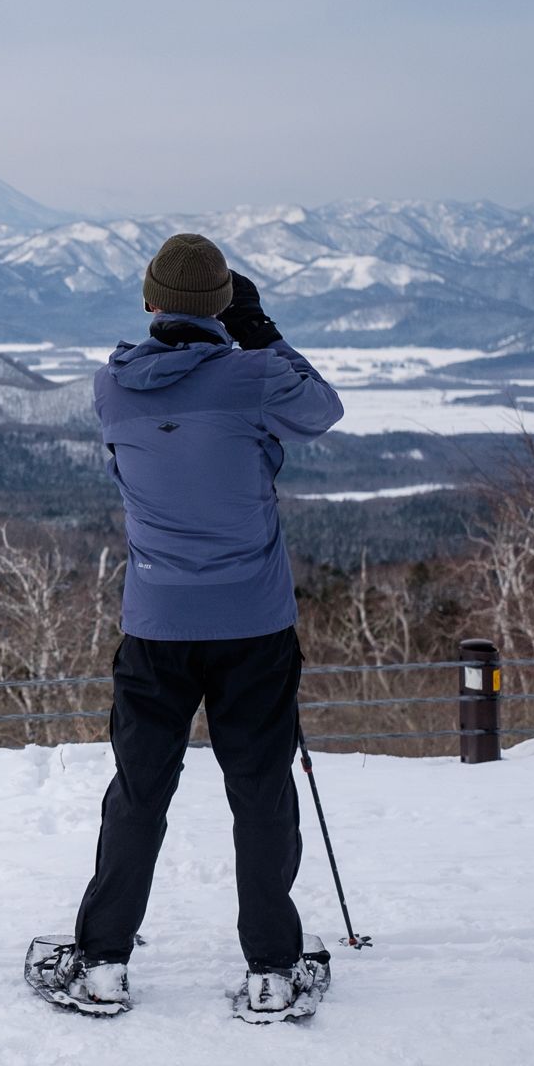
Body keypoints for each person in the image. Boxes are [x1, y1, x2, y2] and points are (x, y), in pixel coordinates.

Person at [62, 235, 344, 1016]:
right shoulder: (253, 378)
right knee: (259, 789)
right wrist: (262, 331)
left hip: (156, 621)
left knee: (140, 790)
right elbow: (322, 411)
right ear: (225, 304)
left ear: (151, 302)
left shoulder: (111, 387)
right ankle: (272, 971)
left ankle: (102, 964)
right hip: (253, 621)